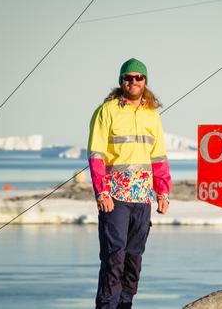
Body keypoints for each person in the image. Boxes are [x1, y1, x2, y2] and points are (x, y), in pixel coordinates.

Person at [87, 58, 171, 309]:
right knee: (114, 258)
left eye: (138, 78)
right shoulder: (108, 110)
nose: (132, 82)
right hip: (115, 197)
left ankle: (125, 305)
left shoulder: (151, 114)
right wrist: (101, 192)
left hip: (142, 197)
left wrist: (163, 193)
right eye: (128, 77)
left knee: (134, 260)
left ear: (145, 82)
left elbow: (159, 157)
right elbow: (96, 155)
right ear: (121, 80)